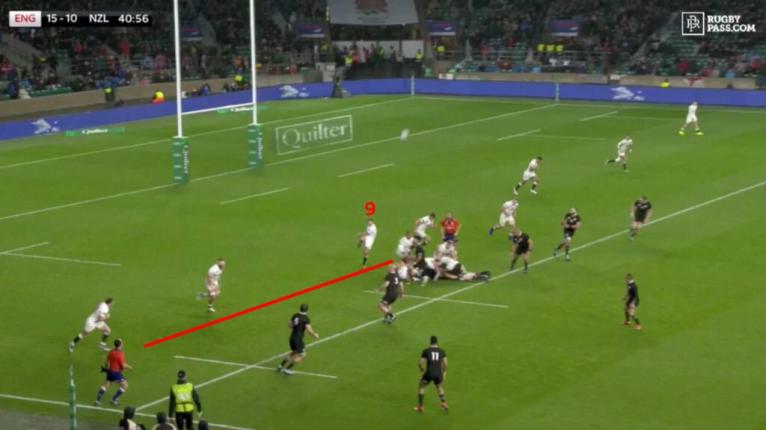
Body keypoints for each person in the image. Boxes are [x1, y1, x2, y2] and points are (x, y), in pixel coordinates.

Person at [278, 304, 320, 374]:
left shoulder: (295, 315)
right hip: (298, 339)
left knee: (294, 352)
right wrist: (314, 335)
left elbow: (289, 325)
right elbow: (309, 330)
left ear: (300, 309)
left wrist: (297, 328)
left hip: (292, 337)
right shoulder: (306, 318)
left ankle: (280, 366)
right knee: (302, 354)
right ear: (307, 310)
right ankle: (288, 369)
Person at [414, 335, 448, 412]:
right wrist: (444, 373)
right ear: (437, 342)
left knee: (422, 386)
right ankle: (443, 403)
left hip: (429, 373)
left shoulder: (426, 351)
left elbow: (420, 363)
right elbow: (446, 364)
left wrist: (421, 369)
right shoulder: (442, 351)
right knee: (439, 386)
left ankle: (420, 407)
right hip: (438, 373)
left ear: (430, 342)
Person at [95, 338, 132, 406]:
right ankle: (114, 399)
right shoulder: (121, 354)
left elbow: (106, 361)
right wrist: (129, 367)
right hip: (116, 372)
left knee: (107, 384)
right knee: (125, 385)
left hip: (110, 371)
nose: (123, 343)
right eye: (122, 343)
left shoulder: (111, 351)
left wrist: (107, 369)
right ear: (120, 345)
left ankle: (97, 400)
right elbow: (123, 365)